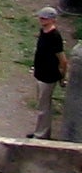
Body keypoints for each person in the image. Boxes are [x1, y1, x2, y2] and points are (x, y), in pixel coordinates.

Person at [30, 8, 67, 140]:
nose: (41, 20)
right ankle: (40, 132)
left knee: (43, 107)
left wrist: (62, 77)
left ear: (52, 19)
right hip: (40, 73)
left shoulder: (54, 36)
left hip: (48, 75)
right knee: (41, 105)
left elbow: (63, 60)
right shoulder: (43, 32)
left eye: (44, 18)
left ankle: (41, 135)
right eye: (41, 18)